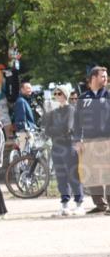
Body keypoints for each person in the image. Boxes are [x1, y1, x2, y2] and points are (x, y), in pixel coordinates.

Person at [73, 65, 110, 214]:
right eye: (103, 76)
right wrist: (77, 140)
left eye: (106, 76)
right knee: (92, 174)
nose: (105, 78)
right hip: (88, 141)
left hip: (107, 140)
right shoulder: (83, 98)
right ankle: (100, 204)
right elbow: (77, 122)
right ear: (93, 78)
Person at [46, 84, 85, 216]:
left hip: (68, 146)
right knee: (60, 176)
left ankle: (79, 203)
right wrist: (57, 131)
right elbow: (47, 130)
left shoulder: (71, 110)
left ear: (66, 95)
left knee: (73, 175)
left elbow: (67, 128)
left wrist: (55, 130)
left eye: (60, 93)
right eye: (55, 94)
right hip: (56, 146)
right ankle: (65, 204)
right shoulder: (54, 112)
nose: (57, 96)